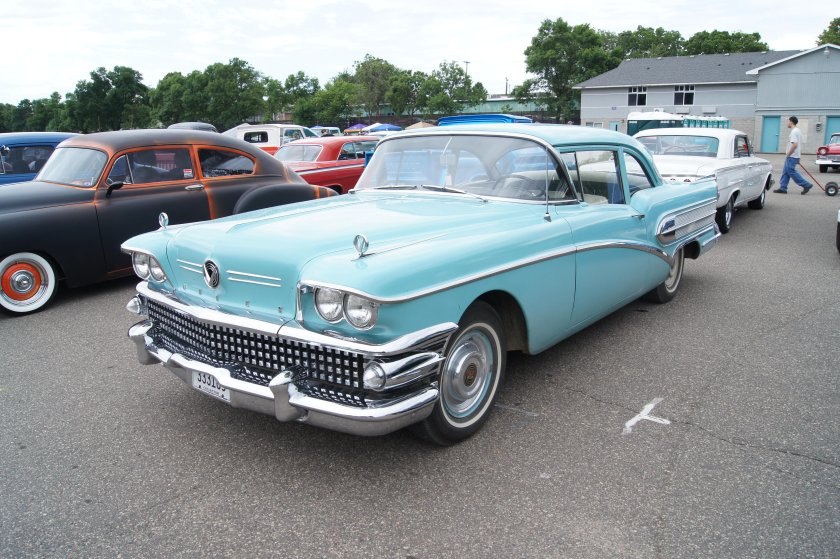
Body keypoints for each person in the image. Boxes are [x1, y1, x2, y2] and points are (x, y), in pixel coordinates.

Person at [773, 116, 812, 194]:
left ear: (791, 121)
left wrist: (788, 154)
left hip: (792, 156)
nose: (787, 123)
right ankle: (783, 188)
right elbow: (799, 145)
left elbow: (795, 145)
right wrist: (798, 157)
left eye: (788, 121)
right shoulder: (798, 131)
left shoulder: (794, 132)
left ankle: (806, 185)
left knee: (791, 172)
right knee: (785, 172)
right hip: (795, 156)